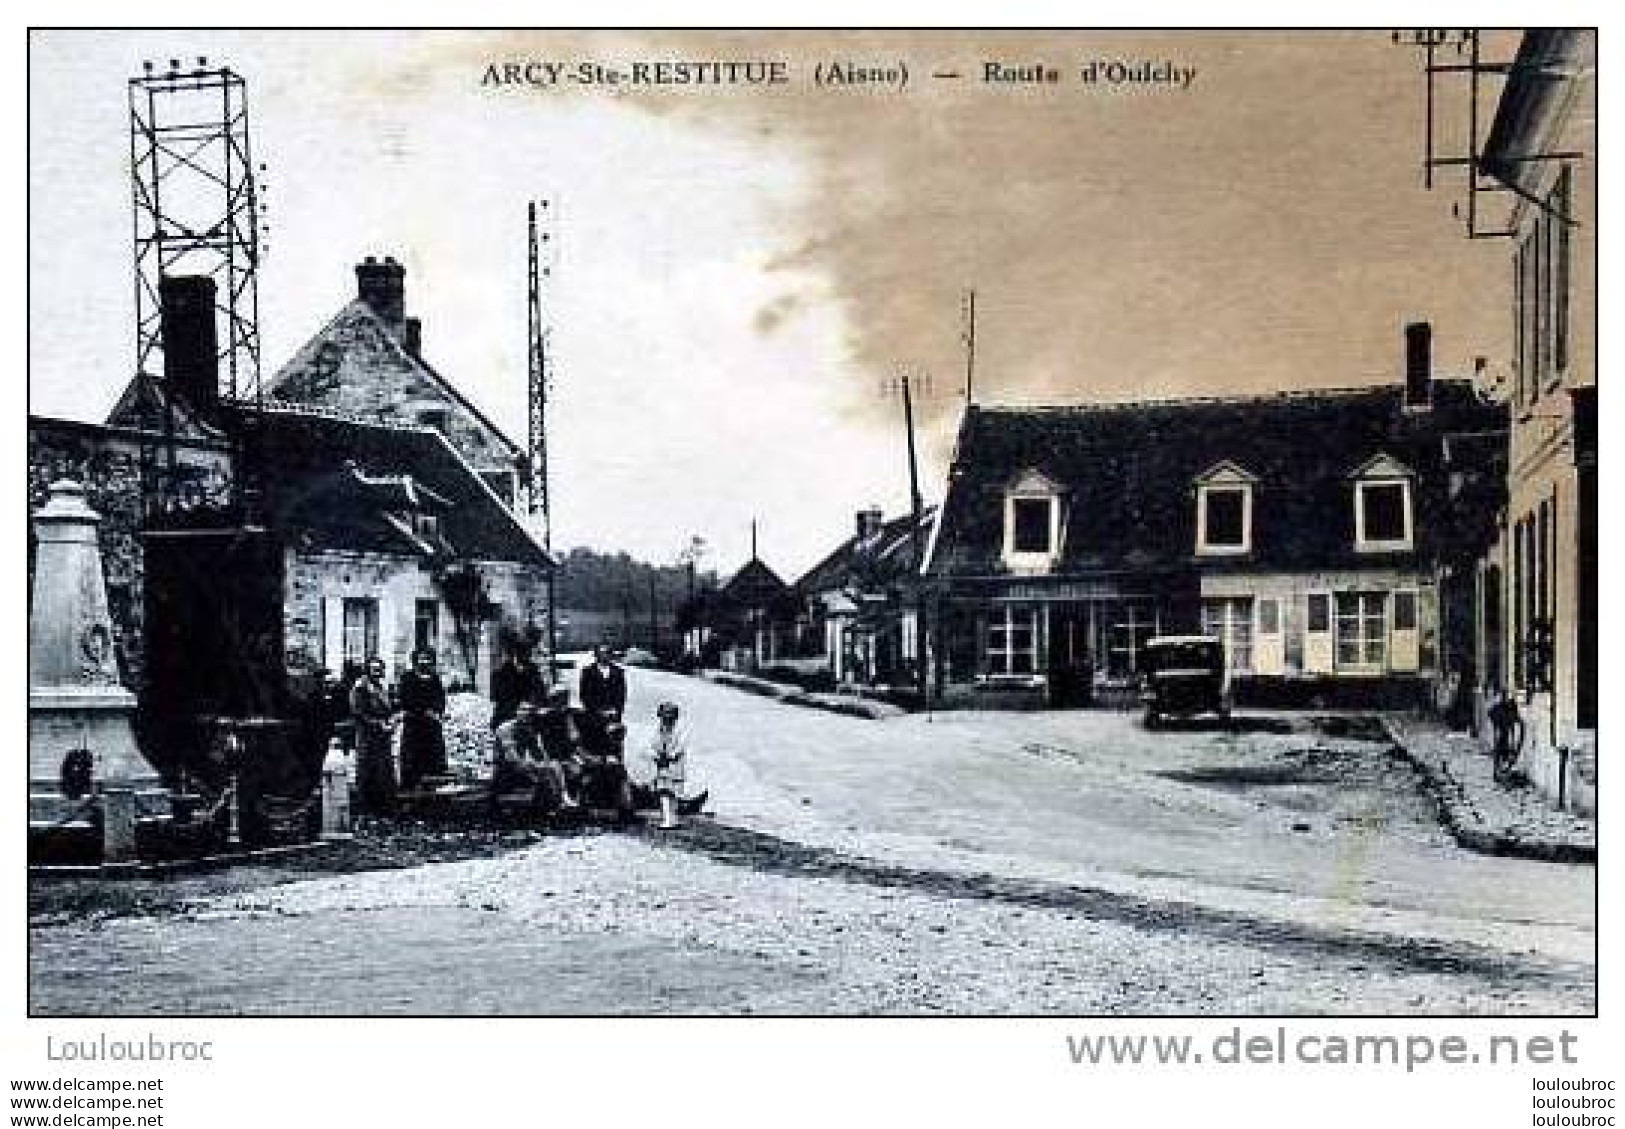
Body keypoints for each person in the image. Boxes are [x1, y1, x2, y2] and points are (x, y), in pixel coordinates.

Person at [493, 700, 577, 814]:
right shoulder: (505, 729)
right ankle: (561, 799)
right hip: (506, 769)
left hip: (520, 766)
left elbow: (537, 752)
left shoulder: (528, 729)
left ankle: (559, 800)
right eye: (523, 711)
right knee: (548, 770)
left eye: (530, 713)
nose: (526, 714)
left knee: (556, 766)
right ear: (517, 712)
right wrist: (535, 767)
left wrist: (545, 763)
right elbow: (510, 757)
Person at [349, 656, 396, 813]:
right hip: (367, 735)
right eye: (374, 669)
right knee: (366, 769)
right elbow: (358, 712)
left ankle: (382, 805)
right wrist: (377, 724)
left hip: (382, 736)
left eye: (379, 669)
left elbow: (389, 708)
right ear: (368, 670)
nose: (377, 672)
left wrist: (391, 721)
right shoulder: (360, 687)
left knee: (383, 770)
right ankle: (364, 806)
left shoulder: (382, 687)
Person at [396, 647, 448, 790]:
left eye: (427, 659)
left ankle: (432, 792)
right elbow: (406, 700)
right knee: (412, 761)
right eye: (421, 658)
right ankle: (411, 791)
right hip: (414, 726)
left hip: (431, 728)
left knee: (432, 761)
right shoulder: (407, 678)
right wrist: (423, 710)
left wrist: (437, 711)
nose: (424, 662)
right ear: (415, 661)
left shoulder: (435, 678)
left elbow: (441, 699)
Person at [646, 701, 690, 830]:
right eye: (664, 719)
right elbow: (653, 745)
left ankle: (672, 819)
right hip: (663, 766)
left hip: (674, 766)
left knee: (673, 793)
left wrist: (670, 755)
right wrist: (657, 755)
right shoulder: (658, 732)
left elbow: (681, 747)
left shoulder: (679, 732)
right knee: (664, 792)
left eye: (669, 719)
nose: (666, 722)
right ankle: (667, 819)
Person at [490, 648, 546, 731]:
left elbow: (540, 693)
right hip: (508, 715)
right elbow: (496, 698)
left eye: (526, 656)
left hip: (527, 715)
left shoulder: (532, 672)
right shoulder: (500, 675)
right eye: (521, 656)